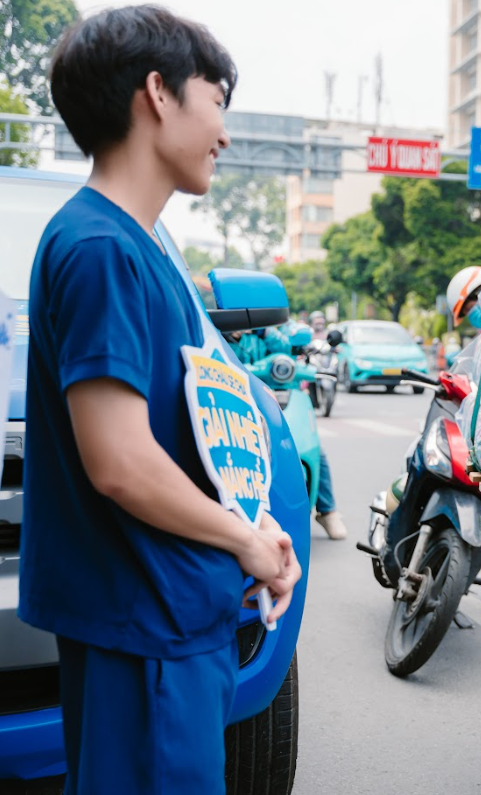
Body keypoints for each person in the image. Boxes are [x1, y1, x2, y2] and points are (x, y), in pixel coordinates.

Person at [19, 8, 300, 793]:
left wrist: (249, 525)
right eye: (217, 101)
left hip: (170, 619)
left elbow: (185, 441)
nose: (226, 131)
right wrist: (243, 543)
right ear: (158, 94)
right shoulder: (102, 248)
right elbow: (121, 462)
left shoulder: (138, 252)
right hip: (145, 625)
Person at [228, 327, 347, 540]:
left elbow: (288, 347)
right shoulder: (214, 329)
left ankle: (327, 510)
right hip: (232, 399)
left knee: (312, 448)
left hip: (276, 397)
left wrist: (263, 331)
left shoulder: (267, 327)